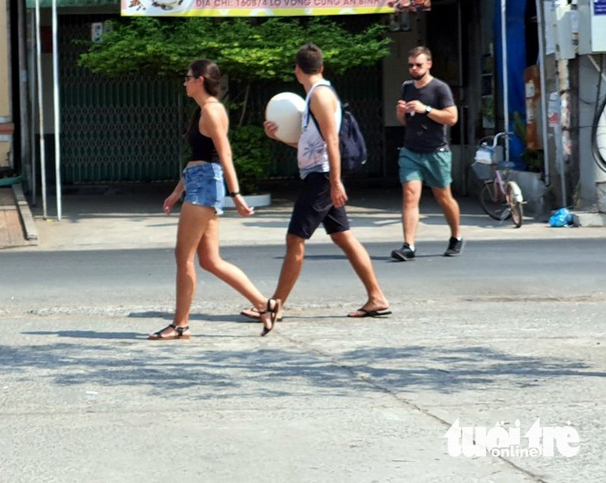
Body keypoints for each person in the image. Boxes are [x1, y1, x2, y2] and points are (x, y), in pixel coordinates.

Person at [261, 43, 391, 336]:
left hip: (321, 177)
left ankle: (276, 305)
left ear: (297, 70)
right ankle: (377, 297)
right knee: (343, 237)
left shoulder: (319, 96)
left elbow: (332, 141)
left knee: (295, 239)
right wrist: (281, 138)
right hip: (320, 174)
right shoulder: (316, 95)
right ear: (321, 67)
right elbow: (312, 143)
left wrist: (335, 182)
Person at [148, 59, 270, 340]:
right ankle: (265, 305)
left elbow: (224, 154)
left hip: (205, 186)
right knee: (211, 260)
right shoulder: (203, 110)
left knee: (184, 257)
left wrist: (236, 194)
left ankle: (180, 324)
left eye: (188, 77)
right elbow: (199, 158)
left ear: (200, 80)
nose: (184, 82)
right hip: (199, 182)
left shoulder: (213, 111)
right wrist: (178, 190)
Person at [391, 46, 462, 260]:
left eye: (418, 65)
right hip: (411, 150)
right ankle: (408, 246)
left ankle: (456, 236)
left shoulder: (440, 88)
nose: (414, 69)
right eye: (411, 65)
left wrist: (426, 109)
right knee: (410, 196)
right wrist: (401, 112)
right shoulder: (406, 87)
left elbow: (452, 118)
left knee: (443, 197)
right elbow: (404, 121)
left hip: (436, 151)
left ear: (429, 64)